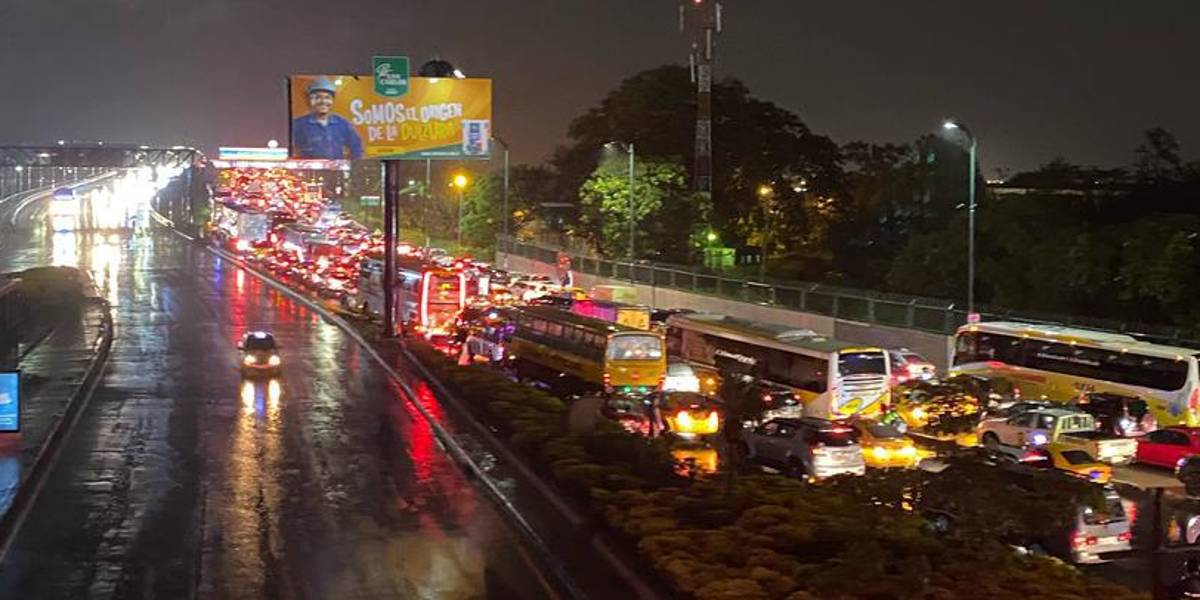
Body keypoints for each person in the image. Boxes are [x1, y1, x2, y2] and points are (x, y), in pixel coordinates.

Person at [291, 78, 364, 160]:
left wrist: (354, 165)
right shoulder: (298, 125)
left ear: (332, 100)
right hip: (310, 168)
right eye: (318, 97)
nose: (323, 101)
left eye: (327, 97)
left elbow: (357, 148)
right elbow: (290, 151)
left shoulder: (343, 124)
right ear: (310, 100)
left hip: (337, 168)